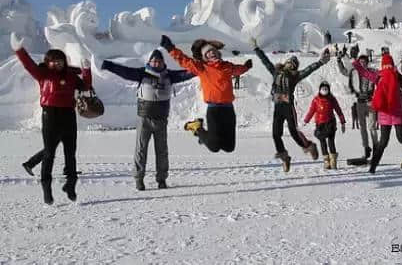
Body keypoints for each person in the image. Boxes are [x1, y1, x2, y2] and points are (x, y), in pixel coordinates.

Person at [11, 32, 91, 204]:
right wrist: (19, 50)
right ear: (48, 62)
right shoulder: (43, 74)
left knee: (71, 153)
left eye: (60, 60)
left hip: (69, 115)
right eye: (53, 60)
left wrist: (86, 70)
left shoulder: (71, 76)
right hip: (50, 115)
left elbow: (85, 86)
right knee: (49, 153)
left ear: (64, 62)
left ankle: (71, 184)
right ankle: (47, 189)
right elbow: (29, 65)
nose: (56, 63)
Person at [100, 50, 194, 190]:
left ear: (163, 62)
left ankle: (161, 179)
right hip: (144, 119)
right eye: (154, 61)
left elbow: (187, 73)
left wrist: (201, 69)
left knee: (162, 151)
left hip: (161, 120)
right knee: (141, 150)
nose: (156, 63)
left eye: (159, 61)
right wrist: (109, 65)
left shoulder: (170, 75)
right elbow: (125, 71)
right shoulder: (142, 73)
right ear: (149, 62)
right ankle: (139, 179)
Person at [160, 35, 251, 154]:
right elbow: (184, 60)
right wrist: (170, 48)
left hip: (228, 109)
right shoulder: (201, 68)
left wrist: (246, 66)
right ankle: (197, 127)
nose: (212, 53)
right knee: (214, 147)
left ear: (218, 53)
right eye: (208, 53)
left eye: (213, 51)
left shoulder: (227, 66)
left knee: (229, 148)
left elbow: (238, 70)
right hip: (214, 110)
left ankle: (205, 136)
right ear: (204, 57)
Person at [251, 37, 331, 172]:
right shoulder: (275, 72)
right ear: (285, 63)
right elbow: (266, 61)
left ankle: (309, 146)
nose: (291, 65)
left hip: (288, 107)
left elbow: (308, 70)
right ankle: (284, 156)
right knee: (276, 134)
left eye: (294, 64)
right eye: (290, 63)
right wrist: (256, 48)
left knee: (294, 132)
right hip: (278, 107)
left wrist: (321, 62)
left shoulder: (295, 76)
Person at [352, 53, 402, 174]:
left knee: (382, 143)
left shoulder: (378, 76)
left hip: (385, 114)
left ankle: (372, 168)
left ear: (382, 65)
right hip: (397, 113)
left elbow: (364, 72)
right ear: (392, 64)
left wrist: (355, 63)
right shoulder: (398, 77)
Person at [337, 53, 378, 159]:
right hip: (360, 102)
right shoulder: (354, 72)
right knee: (362, 127)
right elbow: (344, 71)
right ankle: (366, 148)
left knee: (372, 126)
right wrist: (339, 61)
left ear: (367, 63)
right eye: (361, 62)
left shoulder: (372, 72)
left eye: (364, 62)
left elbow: (382, 77)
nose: (362, 64)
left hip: (370, 101)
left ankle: (376, 147)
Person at [303, 81, 346, 170]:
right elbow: (311, 111)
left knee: (331, 142)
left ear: (329, 90)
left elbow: (338, 110)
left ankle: (333, 161)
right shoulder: (316, 100)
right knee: (322, 142)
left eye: (326, 89)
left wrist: (342, 122)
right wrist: (306, 120)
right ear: (320, 90)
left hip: (330, 123)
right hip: (320, 124)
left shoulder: (332, 99)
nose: (324, 90)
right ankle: (326, 161)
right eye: (323, 88)